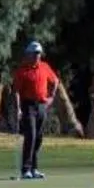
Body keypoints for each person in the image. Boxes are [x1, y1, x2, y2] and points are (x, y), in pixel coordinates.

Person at [11, 41, 59, 180]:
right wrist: (18, 108)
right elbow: (16, 92)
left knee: (38, 137)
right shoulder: (22, 71)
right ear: (28, 54)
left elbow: (55, 80)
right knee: (30, 135)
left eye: (39, 53)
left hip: (42, 105)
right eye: (35, 53)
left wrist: (52, 96)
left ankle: (34, 168)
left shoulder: (44, 67)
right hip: (28, 106)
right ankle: (26, 169)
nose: (38, 56)